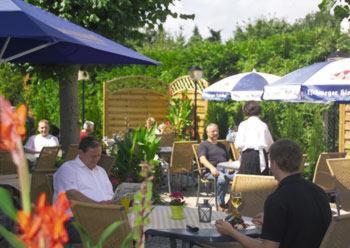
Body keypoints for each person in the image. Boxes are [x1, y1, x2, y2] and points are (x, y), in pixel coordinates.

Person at [216, 139, 332, 248]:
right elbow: (303, 223)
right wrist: (273, 220)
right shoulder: (319, 191)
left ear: (274, 164)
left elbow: (267, 247)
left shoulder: (278, 199)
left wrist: (232, 232)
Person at [53, 136, 114, 204]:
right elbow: (72, 194)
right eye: (93, 156)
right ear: (80, 153)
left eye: (98, 156)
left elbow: (110, 194)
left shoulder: (101, 171)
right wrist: (98, 205)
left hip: (106, 211)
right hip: (78, 212)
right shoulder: (68, 169)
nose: (96, 160)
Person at [199, 123, 234, 211]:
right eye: (213, 131)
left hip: (226, 169)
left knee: (240, 177)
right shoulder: (204, 145)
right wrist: (211, 168)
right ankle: (220, 204)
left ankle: (231, 202)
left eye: (216, 131)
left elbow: (229, 159)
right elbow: (202, 159)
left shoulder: (222, 145)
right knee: (222, 179)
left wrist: (231, 166)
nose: (215, 133)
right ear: (207, 133)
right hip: (210, 171)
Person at [235, 101, 273, 175]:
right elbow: (270, 144)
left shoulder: (243, 125)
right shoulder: (263, 125)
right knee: (261, 183)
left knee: (247, 182)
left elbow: (238, 144)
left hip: (247, 156)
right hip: (261, 156)